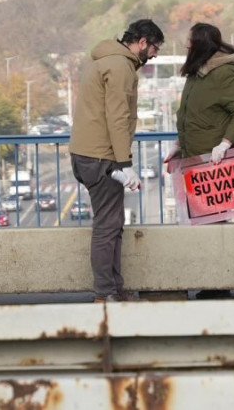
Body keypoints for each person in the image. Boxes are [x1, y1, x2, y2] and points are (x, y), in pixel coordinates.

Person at [69, 18, 164, 303]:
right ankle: (105, 292)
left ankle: (113, 287)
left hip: (86, 153)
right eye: (155, 47)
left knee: (111, 223)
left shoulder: (104, 59)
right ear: (143, 42)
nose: (156, 55)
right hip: (102, 157)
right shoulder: (121, 67)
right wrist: (124, 164)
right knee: (107, 226)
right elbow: (118, 117)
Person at [164, 22, 234, 168]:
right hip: (194, 157)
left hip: (216, 163)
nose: (186, 45)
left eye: (190, 41)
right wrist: (179, 144)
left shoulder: (224, 74)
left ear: (200, 45)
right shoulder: (196, 73)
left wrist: (225, 144)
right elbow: (192, 114)